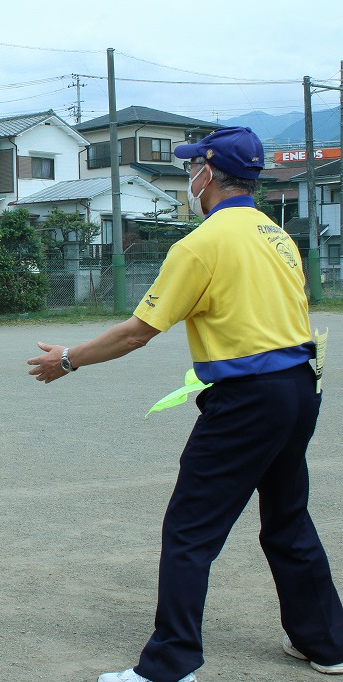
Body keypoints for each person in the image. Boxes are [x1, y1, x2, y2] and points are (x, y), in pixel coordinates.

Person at [27, 127, 343, 682]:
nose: (189, 177)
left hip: (248, 397)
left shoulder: (202, 243)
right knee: (288, 520)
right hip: (300, 386)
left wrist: (69, 358)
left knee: (190, 530)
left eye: (192, 167)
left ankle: (169, 666)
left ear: (208, 174)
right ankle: (328, 642)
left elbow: (138, 331)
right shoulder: (278, 236)